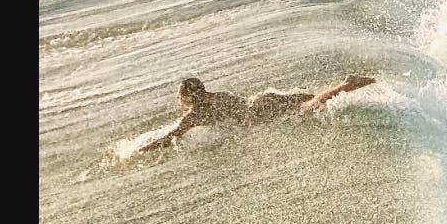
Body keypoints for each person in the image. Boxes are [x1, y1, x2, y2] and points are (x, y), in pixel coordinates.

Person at [138, 74, 376, 153]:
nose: (178, 99)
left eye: (180, 95)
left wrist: (140, 150)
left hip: (259, 114)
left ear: (189, 97)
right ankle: (367, 84)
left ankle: (346, 85)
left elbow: (171, 137)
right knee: (310, 98)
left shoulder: (196, 114)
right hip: (262, 100)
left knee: (311, 106)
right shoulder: (214, 95)